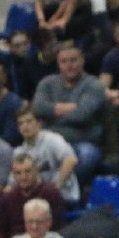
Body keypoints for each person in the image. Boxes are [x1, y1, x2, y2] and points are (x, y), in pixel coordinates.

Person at [31, 44, 108, 185]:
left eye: (73, 60)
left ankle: (64, 190)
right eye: (64, 61)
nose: (69, 65)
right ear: (58, 63)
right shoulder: (47, 83)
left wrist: (50, 114)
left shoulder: (94, 85)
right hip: (48, 143)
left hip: (81, 142)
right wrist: (67, 108)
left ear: (82, 61)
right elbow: (37, 108)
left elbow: (82, 115)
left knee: (88, 155)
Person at [13, 105, 80, 206]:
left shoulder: (52, 140)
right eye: (20, 123)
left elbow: (71, 160)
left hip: (62, 195)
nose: (25, 126)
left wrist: (55, 187)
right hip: (34, 200)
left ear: (39, 123)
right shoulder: (18, 152)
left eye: (29, 121)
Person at [0, 153, 66, 238]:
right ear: (13, 175)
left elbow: (56, 227)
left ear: (36, 171)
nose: (23, 177)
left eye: (27, 171)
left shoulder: (51, 193)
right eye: (18, 173)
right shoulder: (7, 197)